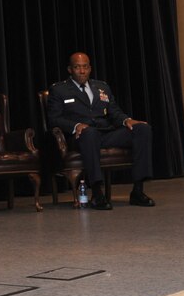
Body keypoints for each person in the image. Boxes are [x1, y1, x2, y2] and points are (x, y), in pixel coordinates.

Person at [47, 52, 155, 210]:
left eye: (85, 67)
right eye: (77, 67)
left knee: (142, 129)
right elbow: (54, 119)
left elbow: (114, 112)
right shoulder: (59, 90)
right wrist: (76, 125)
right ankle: (97, 194)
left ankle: (138, 191)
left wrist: (127, 120)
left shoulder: (101, 87)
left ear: (90, 68)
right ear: (70, 69)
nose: (82, 71)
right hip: (80, 137)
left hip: (105, 133)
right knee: (89, 133)